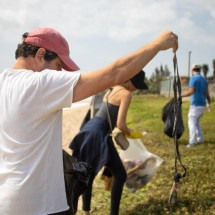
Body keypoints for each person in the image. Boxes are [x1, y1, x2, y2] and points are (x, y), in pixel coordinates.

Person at [0, 27, 178, 215]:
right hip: (39, 205)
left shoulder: (3, 82)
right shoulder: (39, 83)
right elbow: (114, 73)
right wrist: (157, 44)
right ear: (40, 54)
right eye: (59, 66)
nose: (60, 73)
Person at [69, 70, 148, 215]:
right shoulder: (126, 94)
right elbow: (121, 124)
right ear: (131, 81)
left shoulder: (112, 88)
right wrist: (133, 134)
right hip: (99, 135)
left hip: (89, 130)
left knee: (88, 174)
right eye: (137, 85)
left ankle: (85, 211)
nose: (136, 89)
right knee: (120, 175)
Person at [182, 64, 211, 148]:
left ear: (192, 70)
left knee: (191, 122)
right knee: (197, 122)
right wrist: (209, 104)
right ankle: (200, 139)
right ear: (200, 70)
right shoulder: (204, 80)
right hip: (203, 105)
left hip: (195, 105)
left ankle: (192, 142)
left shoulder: (193, 78)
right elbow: (207, 94)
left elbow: (191, 92)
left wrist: (181, 96)